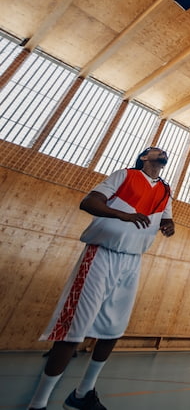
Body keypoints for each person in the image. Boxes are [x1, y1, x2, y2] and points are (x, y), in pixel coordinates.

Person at [28, 147, 175, 410]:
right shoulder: (125, 175)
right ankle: (38, 403)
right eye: (156, 150)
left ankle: (82, 394)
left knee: (113, 330)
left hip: (132, 260)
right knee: (74, 329)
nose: (162, 152)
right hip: (101, 254)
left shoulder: (165, 189)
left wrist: (168, 225)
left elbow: (166, 218)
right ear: (143, 157)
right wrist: (123, 215)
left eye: (164, 151)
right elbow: (89, 202)